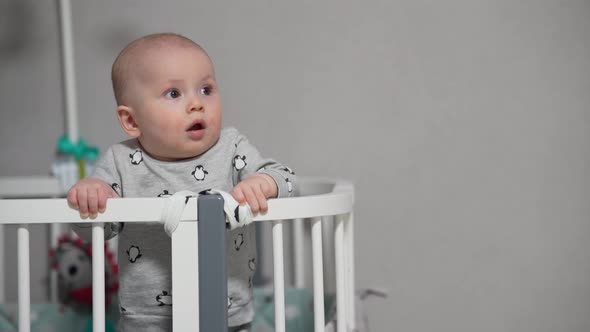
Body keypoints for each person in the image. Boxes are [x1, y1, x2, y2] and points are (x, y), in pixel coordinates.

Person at [67, 32, 296, 332]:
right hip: (147, 320)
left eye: (206, 89)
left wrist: (264, 182)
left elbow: (287, 179)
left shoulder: (231, 148)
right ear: (132, 121)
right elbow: (91, 230)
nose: (196, 104)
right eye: (174, 94)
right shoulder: (121, 162)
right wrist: (91, 197)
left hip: (228, 310)